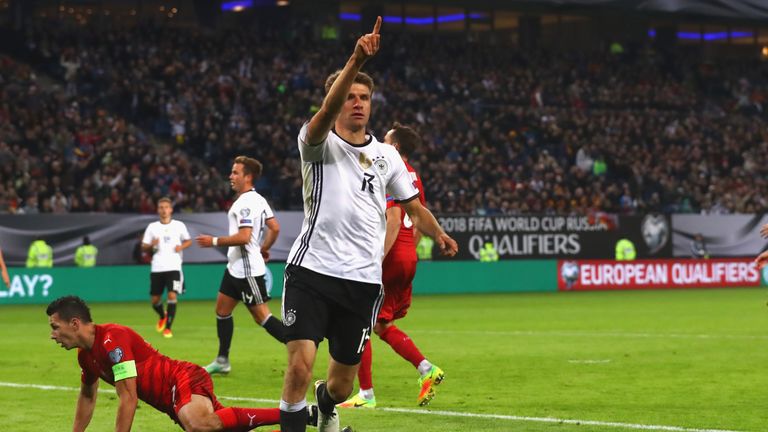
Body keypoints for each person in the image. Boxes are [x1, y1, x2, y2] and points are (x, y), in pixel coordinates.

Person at [278, 17, 458, 432]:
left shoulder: (388, 156)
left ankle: (326, 405)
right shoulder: (317, 141)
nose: (357, 102)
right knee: (299, 368)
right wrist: (357, 57)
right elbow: (324, 112)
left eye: (364, 96)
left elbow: (413, 208)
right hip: (311, 272)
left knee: (341, 387)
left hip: (362, 282)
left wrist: (439, 232)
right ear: (337, 100)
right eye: (350, 96)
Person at [46, 295, 319, 431]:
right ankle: (307, 415)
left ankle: (300, 413)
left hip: (181, 378)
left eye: (55, 327)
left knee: (198, 423)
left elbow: (128, 398)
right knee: (213, 425)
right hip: (172, 401)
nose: (53, 335)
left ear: (75, 323)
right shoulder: (86, 356)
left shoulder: (112, 340)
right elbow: (87, 398)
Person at [339, 123, 444, 410]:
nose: (380, 145)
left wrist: (379, 257)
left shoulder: (389, 170)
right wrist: (409, 249)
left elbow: (395, 219)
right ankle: (425, 369)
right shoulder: (415, 176)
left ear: (395, 148)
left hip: (390, 256)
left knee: (359, 320)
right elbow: (419, 217)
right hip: (408, 255)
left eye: (385, 141)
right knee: (382, 324)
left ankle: (367, 393)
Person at [196, 156, 283, 375]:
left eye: (235, 173)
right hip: (235, 267)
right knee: (222, 310)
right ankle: (223, 360)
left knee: (262, 316)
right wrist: (264, 248)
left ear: (248, 177)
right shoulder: (258, 199)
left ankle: (299, 345)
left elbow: (244, 237)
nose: (231, 176)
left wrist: (213, 241)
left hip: (247, 272)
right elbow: (275, 227)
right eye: (232, 172)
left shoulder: (245, 204)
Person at [141, 197, 192, 338]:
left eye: (166, 207)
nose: (164, 210)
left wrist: (181, 246)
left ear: (171, 209)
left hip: (174, 266)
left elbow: (188, 241)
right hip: (157, 267)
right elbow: (144, 247)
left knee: (172, 295)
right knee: (155, 300)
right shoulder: (152, 227)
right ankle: (162, 315)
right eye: (161, 207)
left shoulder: (179, 225)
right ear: (158, 210)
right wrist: (152, 244)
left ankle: (168, 328)